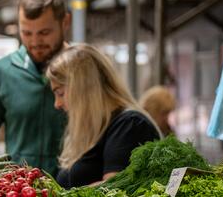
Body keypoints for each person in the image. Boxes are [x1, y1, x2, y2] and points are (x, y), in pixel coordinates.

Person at [0, 0, 69, 176]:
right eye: (26, 33)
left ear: (65, 22)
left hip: (75, 196)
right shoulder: (1, 73)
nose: (35, 42)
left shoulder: (84, 71)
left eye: (44, 32)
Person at [46, 44, 161, 188]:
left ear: (82, 88)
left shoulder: (130, 125)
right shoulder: (95, 130)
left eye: (60, 93)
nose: (57, 104)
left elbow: (113, 192)